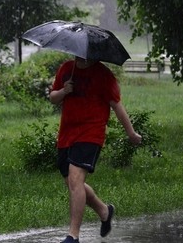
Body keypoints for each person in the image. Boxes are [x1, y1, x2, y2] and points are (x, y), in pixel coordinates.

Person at [49, 56, 142, 243]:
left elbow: (117, 105)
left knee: (75, 179)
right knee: (73, 184)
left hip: (90, 134)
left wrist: (131, 133)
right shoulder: (67, 68)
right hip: (67, 135)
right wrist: (64, 91)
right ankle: (104, 211)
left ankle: (73, 236)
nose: (79, 55)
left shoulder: (103, 75)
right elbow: (53, 98)